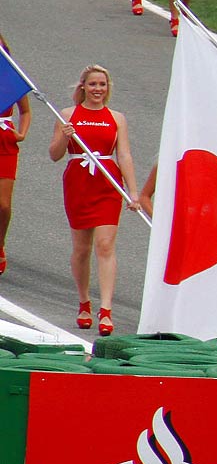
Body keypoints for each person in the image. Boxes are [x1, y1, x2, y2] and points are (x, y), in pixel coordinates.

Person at [48, 64, 140, 336]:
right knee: (81, 249)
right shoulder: (67, 115)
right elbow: (54, 154)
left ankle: (106, 309)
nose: (97, 89)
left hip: (107, 182)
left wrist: (133, 192)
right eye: (92, 84)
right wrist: (64, 138)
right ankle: (84, 302)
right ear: (83, 87)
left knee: (105, 244)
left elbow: (124, 155)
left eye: (102, 84)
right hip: (78, 183)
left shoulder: (117, 118)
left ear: (107, 88)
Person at [0, 30, 28, 275]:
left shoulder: (11, 79)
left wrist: (21, 132)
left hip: (6, 142)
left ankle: (0, 244)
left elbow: (25, 110)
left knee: (4, 204)